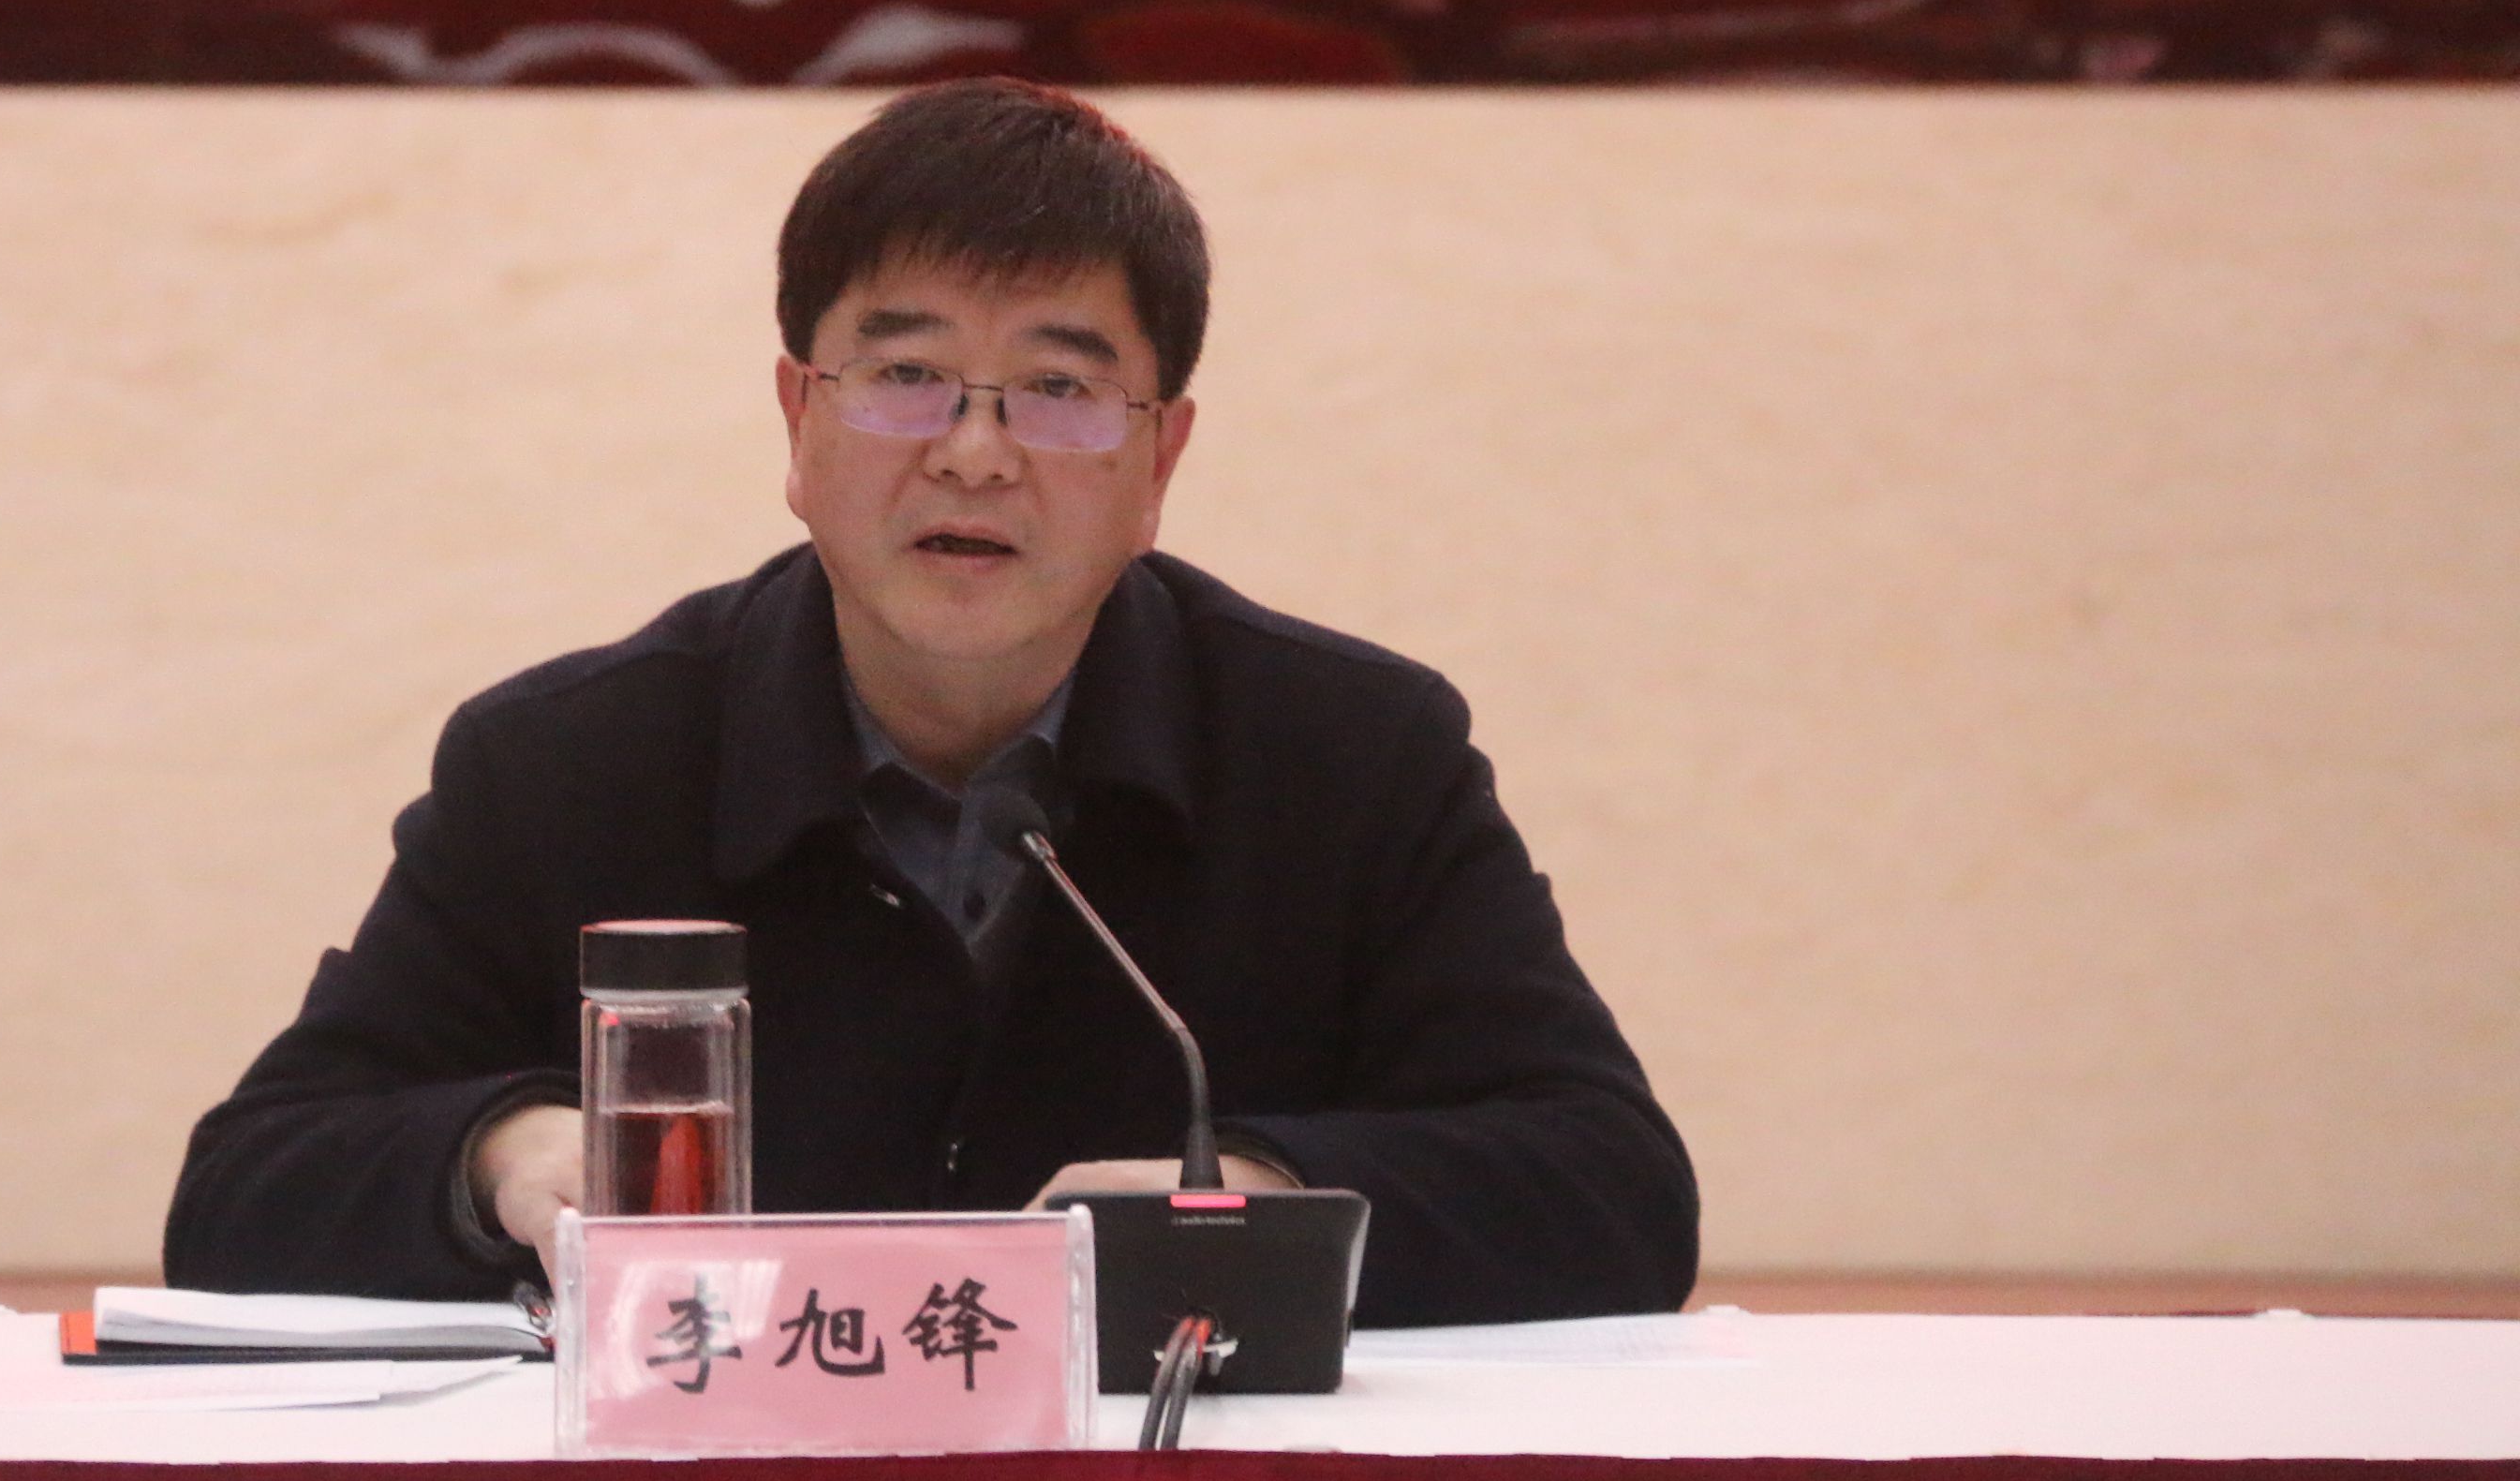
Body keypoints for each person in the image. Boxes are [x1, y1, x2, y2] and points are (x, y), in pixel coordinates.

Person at [165, 77, 1697, 1325]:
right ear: (798, 420)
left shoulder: (1351, 756)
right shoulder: (566, 764)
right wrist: (501, 1154)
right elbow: (244, 1193)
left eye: (1060, 390)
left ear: (1159, 461)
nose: (973, 453)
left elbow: (1610, 1184)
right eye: (905, 376)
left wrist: (1254, 1199)